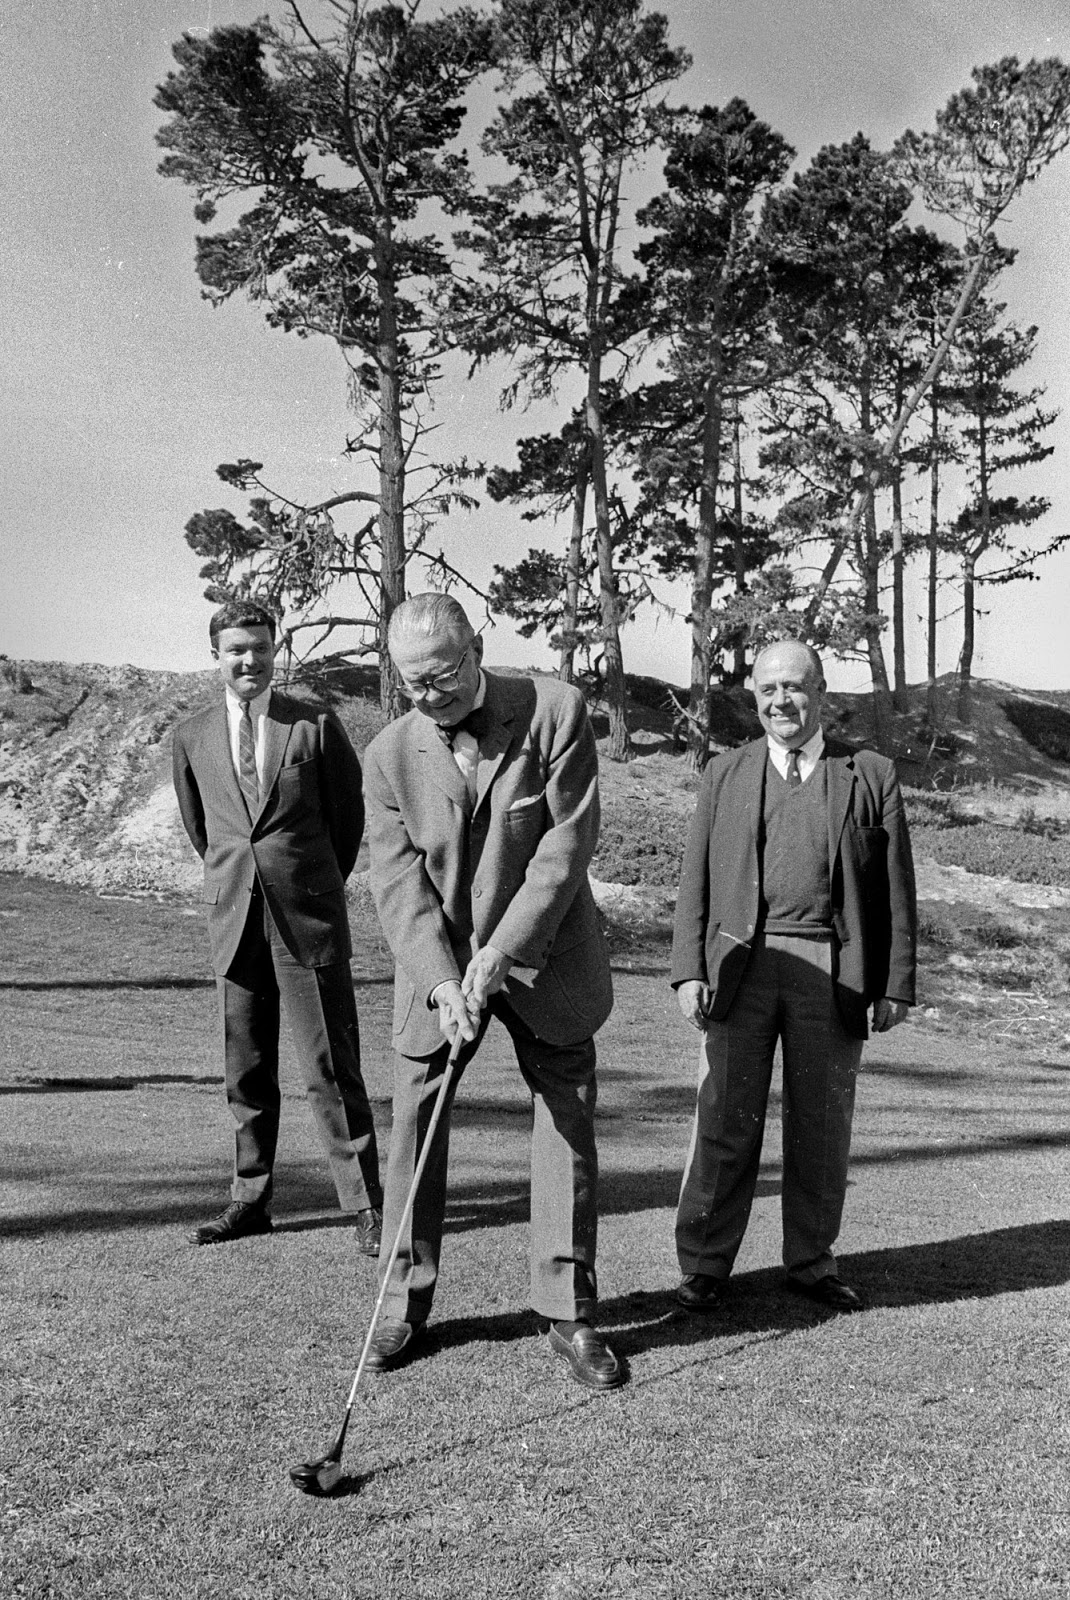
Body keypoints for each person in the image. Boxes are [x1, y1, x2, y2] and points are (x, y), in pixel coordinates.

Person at [361, 593, 622, 1390]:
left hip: (543, 957)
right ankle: (403, 1303)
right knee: (414, 1125)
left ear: (477, 646)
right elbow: (396, 881)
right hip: (439, 963)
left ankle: (568, 1311)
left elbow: (567, 843)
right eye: (413, 686)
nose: (429, 697)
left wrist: (502, 950)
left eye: (441, 677)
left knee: (565, 1129)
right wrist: (443, 979)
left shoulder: (554, 710)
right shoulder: (387, 754)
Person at [670, 638, 916, 1313]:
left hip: (830, 971)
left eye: (795, 687)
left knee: (822, 1126)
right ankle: (704, 1263)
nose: (782, 701)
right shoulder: (726, 772)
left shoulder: (869, 773)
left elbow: (896, 887)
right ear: (754, 695)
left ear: (821, 692)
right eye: (769, 689)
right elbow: (695, 877)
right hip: (739, 968)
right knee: (725, 1122)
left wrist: (894, 982)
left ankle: (811, 1262)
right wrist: (689, 968)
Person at [172, 600, 382, 1251]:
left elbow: (348, 824)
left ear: (274, 649)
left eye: (260, 648)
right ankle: (250, 1198)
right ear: (217, 654)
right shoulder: (191, 735)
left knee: (329, 1067)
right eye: (236, 649)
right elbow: (203, 832)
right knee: (247, 1068)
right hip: (235, 921)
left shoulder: (315, 725)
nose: (249, 660)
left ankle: (366, 1204)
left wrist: (309, 883)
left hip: (307, 922)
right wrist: (242, 883)